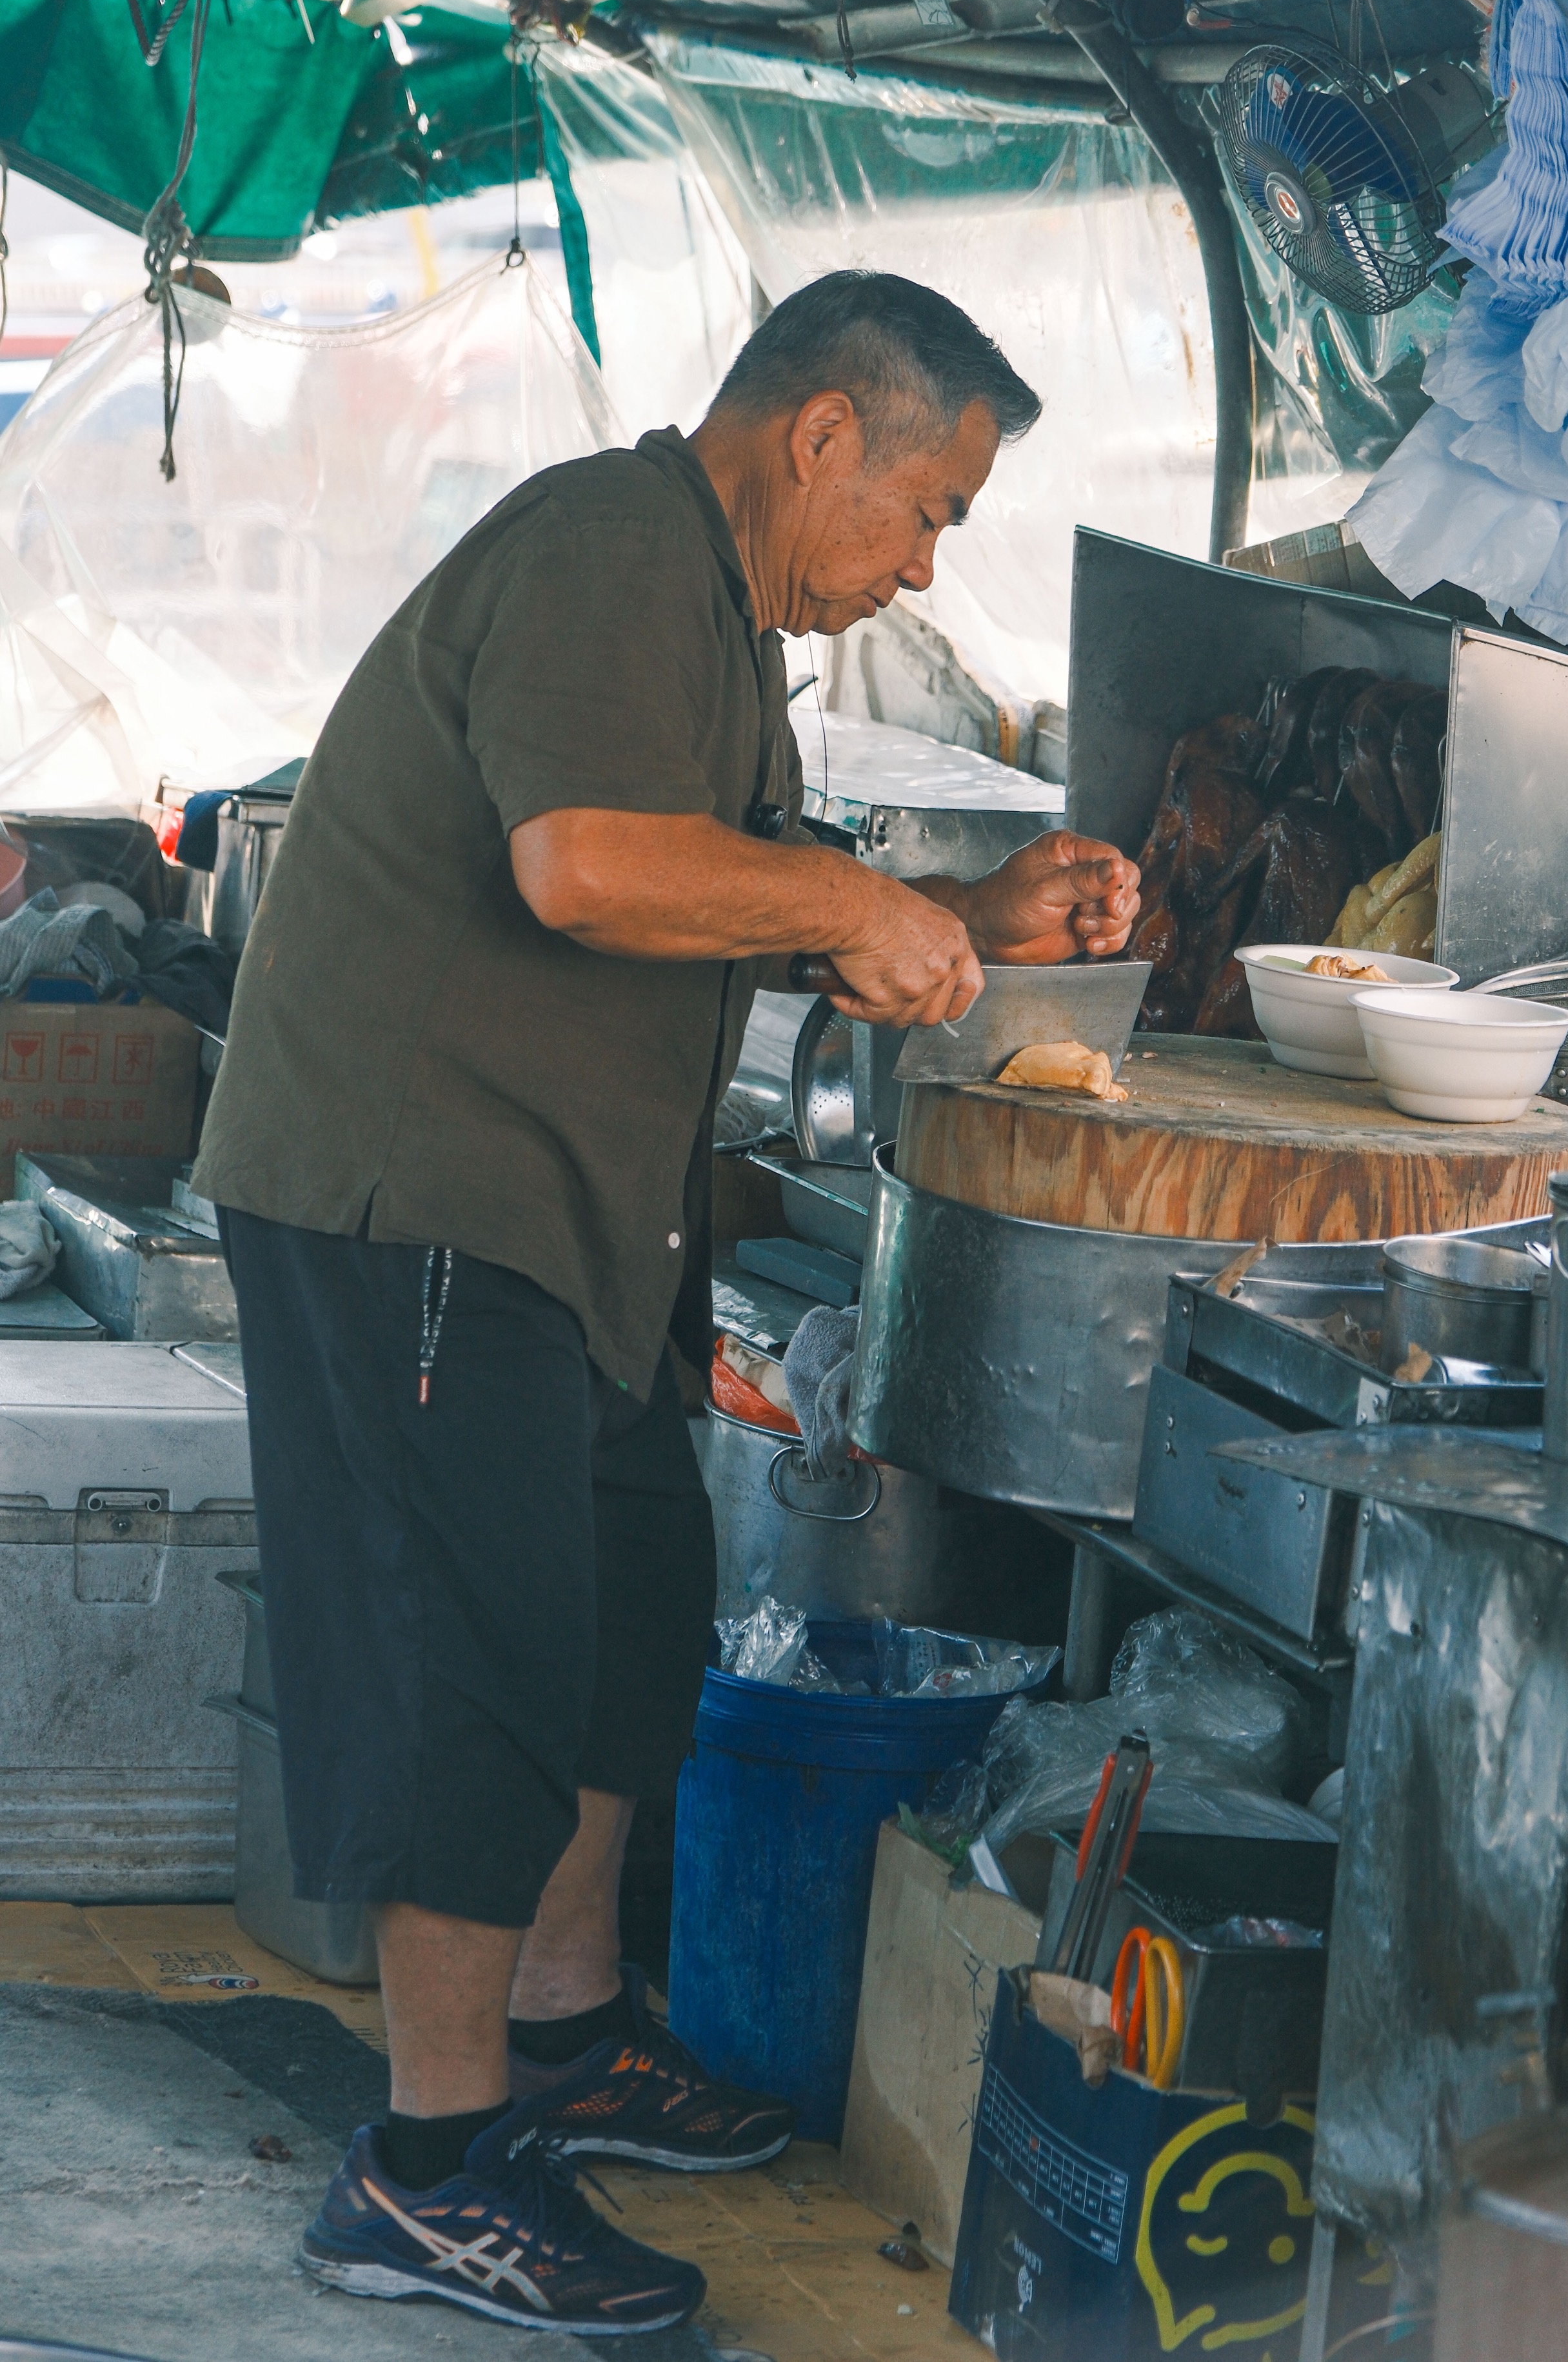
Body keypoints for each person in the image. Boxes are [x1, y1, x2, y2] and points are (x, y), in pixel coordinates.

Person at [194, 270, 1138, 2336]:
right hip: (421, 1186)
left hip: (571, 1214)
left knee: (628, 1602)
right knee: (486, 1660)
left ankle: (562, 2029)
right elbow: (587, 868)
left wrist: (957, 915)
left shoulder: (715, 612)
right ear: (823, 437)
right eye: (926, 513)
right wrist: (859, 905)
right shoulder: (615, 546)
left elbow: (713, 858)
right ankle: (424, 2168)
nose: (915, 565)